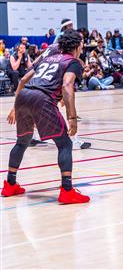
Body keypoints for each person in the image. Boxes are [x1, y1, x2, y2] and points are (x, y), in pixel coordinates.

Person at [2, 29, 90, 204]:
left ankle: (10, 184)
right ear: (77, 46)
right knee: (65, 143)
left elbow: (23, 79)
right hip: (42, 98)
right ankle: (67, 190)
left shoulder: (48, 58)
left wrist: (15, 106)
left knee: (22, 142)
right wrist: (72, 118)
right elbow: (67, 85)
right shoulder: (73, 61)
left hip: (24, 95)